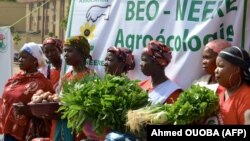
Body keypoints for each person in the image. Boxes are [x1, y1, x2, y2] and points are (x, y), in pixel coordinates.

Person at [0, 42, 54, 140]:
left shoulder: (43, 83)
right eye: (19, 57)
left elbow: (51, 111)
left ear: (34, 60)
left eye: (24, 57)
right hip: (8, 130)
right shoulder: (16, 78)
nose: (20, 60)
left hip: (27, 133)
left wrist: (29, 111)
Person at [54, 35, 94, 141]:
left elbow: (90, 106)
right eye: (64, 51)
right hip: (62, 125)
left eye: (69, 51)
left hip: (80, 129)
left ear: (82, 53)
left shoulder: (90, 76)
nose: (65, 55)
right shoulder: (66, 77)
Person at [139, 40, 182, 105]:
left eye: (144, 60)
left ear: (157, 62)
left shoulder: (173, 92)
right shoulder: (141, 86)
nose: (140, 64)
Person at [215, 46, 250, 124]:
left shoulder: (247, 97)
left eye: (221, 66)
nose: (216, 70)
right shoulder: (219, 89)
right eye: (216, 66)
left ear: (236, 69)